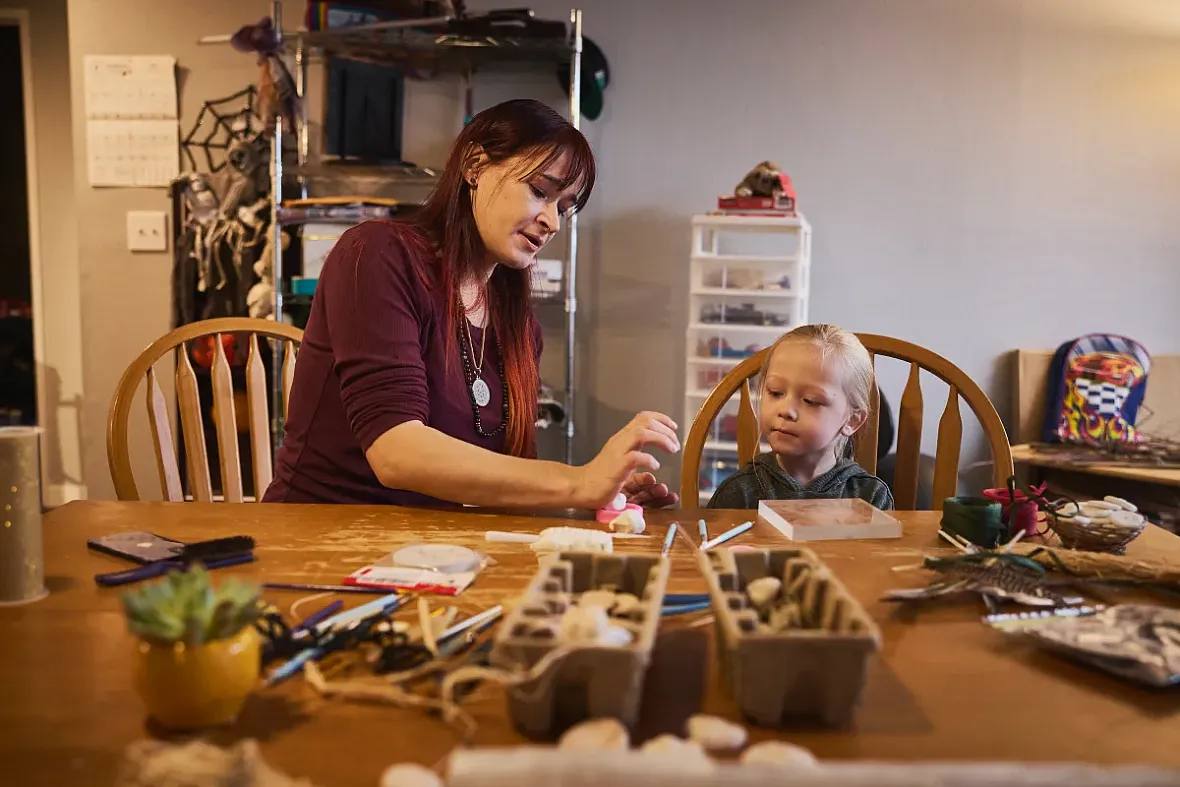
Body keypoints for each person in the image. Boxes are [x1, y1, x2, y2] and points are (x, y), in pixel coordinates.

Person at [263, 99, 680, 509]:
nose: (553, 221)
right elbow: (395, 451)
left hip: (428, 557)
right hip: (320, 544)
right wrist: (578, 482)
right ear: (475, 166)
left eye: (564, 208)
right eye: (540, 191)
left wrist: (599, 498)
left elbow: (508, 478)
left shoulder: (518, 326)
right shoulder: (378, 253)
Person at [706, 324, 893, 510]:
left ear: (852, 420)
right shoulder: (737, 493)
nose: (786, 410)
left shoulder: (870, 497)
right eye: (775, 392)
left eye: (810, 401)